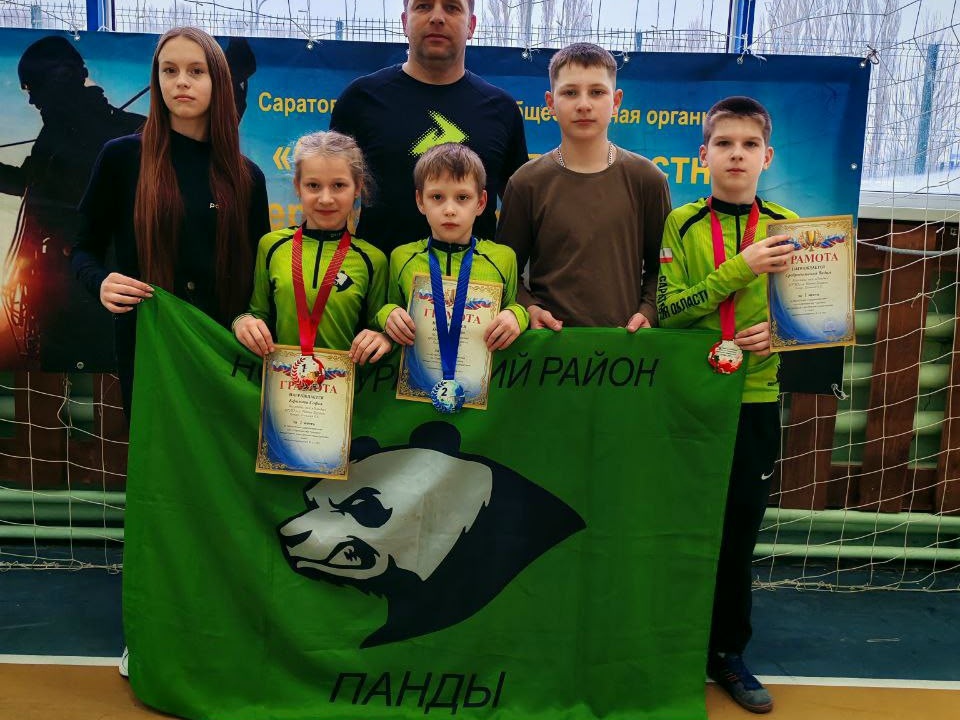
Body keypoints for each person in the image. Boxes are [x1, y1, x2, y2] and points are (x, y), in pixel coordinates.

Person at [656, 96, 797, 714]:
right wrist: (740, 267)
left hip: (755, 398)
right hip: (689, 397)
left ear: (767, 157)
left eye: (748, 145)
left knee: (739, 533)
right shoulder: (681, 224)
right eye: (724, 143)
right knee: (678, 524)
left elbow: (815, 320)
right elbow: (668, 311)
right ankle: (672, 643)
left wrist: (782, 337)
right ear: (703, 155)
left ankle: (728, 651)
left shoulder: (791, 227)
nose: (736, 154)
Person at [72, 25, 270, 420]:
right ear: (157, 78)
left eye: (196, 71)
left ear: (219, 81)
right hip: (149, 351)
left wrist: (251, 317)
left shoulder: (247, 176)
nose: (181, 81)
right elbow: (82, 249)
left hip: (224, 354)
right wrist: (101, 282)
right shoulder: (121, 158)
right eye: (169, 70)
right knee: (156, 457)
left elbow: (261, 277)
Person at [330, 0, 528, 256]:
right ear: (405, 22)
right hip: (382, 277)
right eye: (423, 6)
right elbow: (330, 193)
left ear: (471, 25)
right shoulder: (360, 100)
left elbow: (520, 212)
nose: (437, 17)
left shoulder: (502, 109)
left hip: (473, 280)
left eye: (452, 8)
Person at [496, 43, 671, 331]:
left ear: (616, 101)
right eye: (570, 92)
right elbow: (503, 271)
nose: (584, 104)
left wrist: (649, 311)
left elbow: (663, 267)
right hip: (548, 348)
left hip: (626, 346)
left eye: (597, 92)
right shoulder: (526, 182)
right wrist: (528, 309)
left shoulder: (648, 179)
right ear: (550, 103)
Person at [0, 35, 144, 369]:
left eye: (33, 87)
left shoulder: (129, 134)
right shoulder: (57, 136)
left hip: (93, 293)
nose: (32, 100)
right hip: (61, 293)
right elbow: (29, 182)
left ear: (62, 79)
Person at [233, 130, 391, 366]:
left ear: (357, 187)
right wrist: (243, 322)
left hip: (342, 386)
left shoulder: (373, 260)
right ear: (298, 186)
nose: (325, 199)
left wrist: (382, 337)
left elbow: (376, 326)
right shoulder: (271, 246)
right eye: (313, 185)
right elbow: (258, 314)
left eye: (338, 185)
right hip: (282, 382)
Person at [376, 143, 528, 355]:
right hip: (419, 373)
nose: (449, 210)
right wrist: (387, 314)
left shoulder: (503, 258)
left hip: (481, 374)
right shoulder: (401, 257)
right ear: (420, 201)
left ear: (481, 202)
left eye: (462, 197)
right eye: (437, 197)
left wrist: (517, 315)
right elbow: (391, 311)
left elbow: (512, 309)